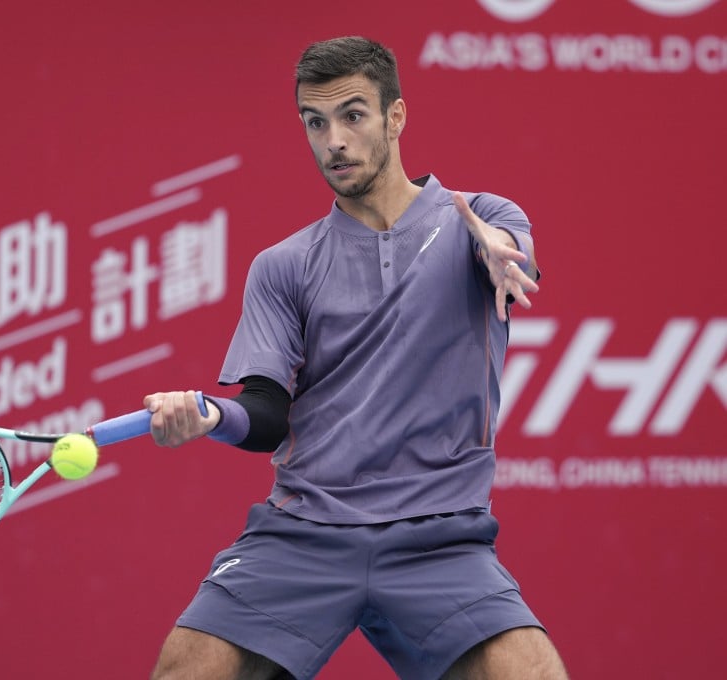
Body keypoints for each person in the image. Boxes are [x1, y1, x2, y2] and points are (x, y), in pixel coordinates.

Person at [144, 36, 568, 680]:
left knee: (531, 672)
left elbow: (509, 251)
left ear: (395, 117)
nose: (332, 141)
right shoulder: (283, 266)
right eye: (315, 123)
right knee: (188, 667)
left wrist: (496, 249)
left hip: (440, 537)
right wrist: (210, 416)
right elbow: (266, 414)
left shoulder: (478, 218)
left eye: (352, 116)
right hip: (305, 532)